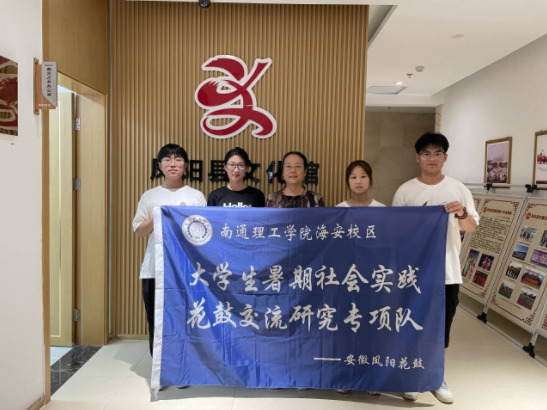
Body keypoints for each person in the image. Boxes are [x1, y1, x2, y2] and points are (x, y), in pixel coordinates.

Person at [392, 132, 479, 404]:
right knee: (412, 322)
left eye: (437, 153)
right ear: (417, 158)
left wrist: (461, 213)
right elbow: (396, 230)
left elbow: (471, 226)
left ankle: (436, 375)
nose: (432, 158)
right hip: (413, 273)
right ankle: (412, 374)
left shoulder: (458, 189)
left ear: (445, 157)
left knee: (441, 326)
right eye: (426, 153)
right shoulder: (405, 191)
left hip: (447, 271)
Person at [132, 144, 207, 359]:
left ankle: (184, 366)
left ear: (186, 165)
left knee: (185, 319)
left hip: (186, 271)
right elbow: (139, 231)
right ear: (159, 166)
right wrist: (158, 215)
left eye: (178, 159)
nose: (172, 164)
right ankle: (160, 368)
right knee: (156, 320)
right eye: (167, 160)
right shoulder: (150, 196)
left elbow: (203, 234)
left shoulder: (196, 196)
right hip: (154, 270)